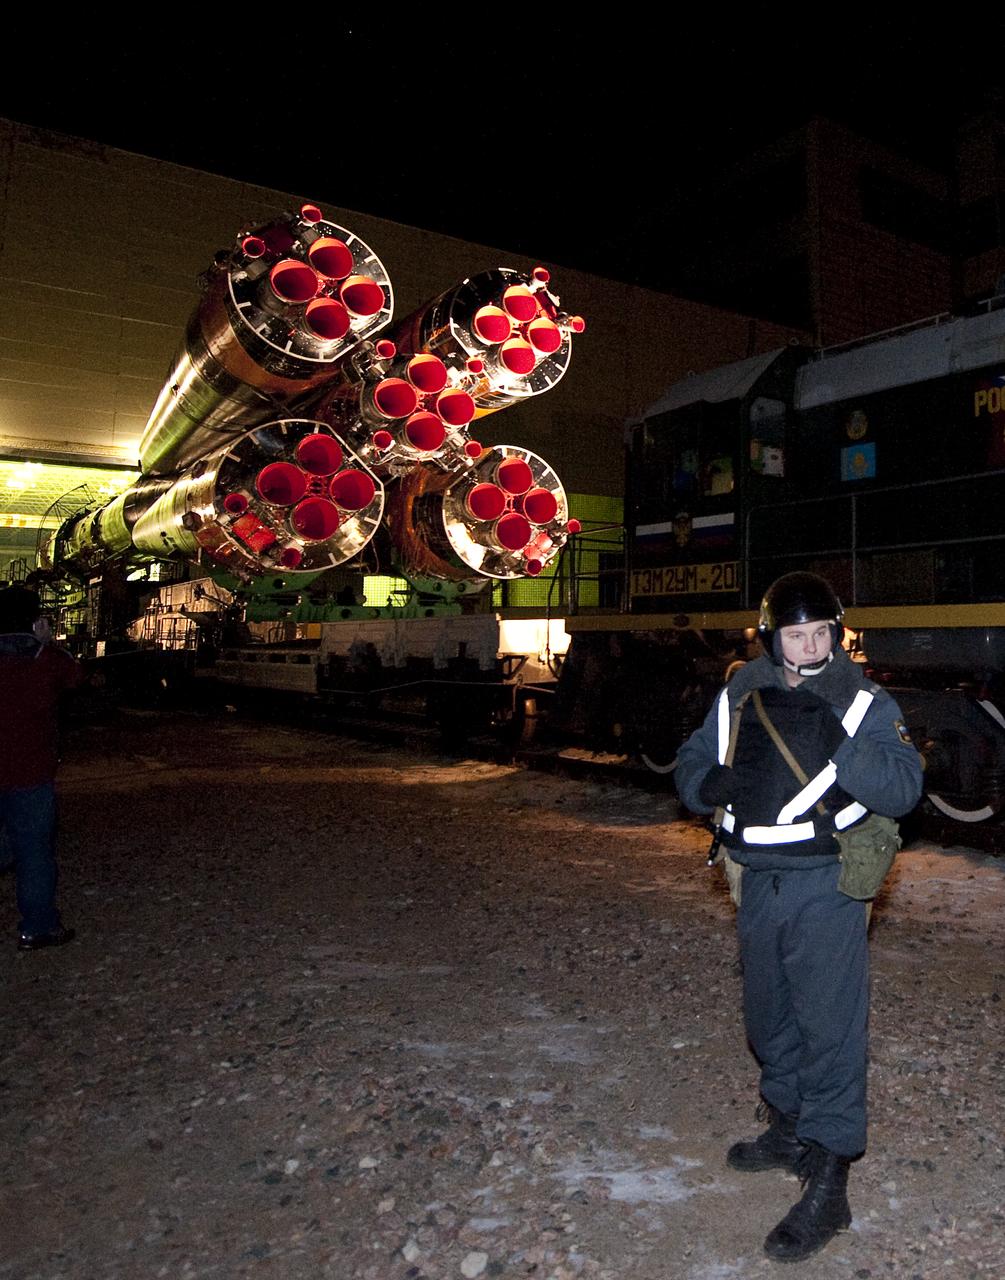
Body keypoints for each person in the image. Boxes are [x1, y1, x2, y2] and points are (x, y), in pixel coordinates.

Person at [676, 571, 923, 1262]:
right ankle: (785, 1127)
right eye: (795, 634)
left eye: (821, 634)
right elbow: (692, 759)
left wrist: (840, 748)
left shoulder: (861, 698)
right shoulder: (741, 690)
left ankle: (830, 1176)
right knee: (768, 1016)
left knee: (829, 1031)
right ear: (770, 636)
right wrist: (706, 783)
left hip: (825, 886)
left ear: (836, 634)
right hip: (757, 883)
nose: (810, 647)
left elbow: (904, 788)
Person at [0, 584, 83, 950]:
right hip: (30, 773)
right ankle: (38, 928)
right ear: (35, 619)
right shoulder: (44, 659)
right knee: (34, 853)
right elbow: (76, 679)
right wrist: (48, 641)